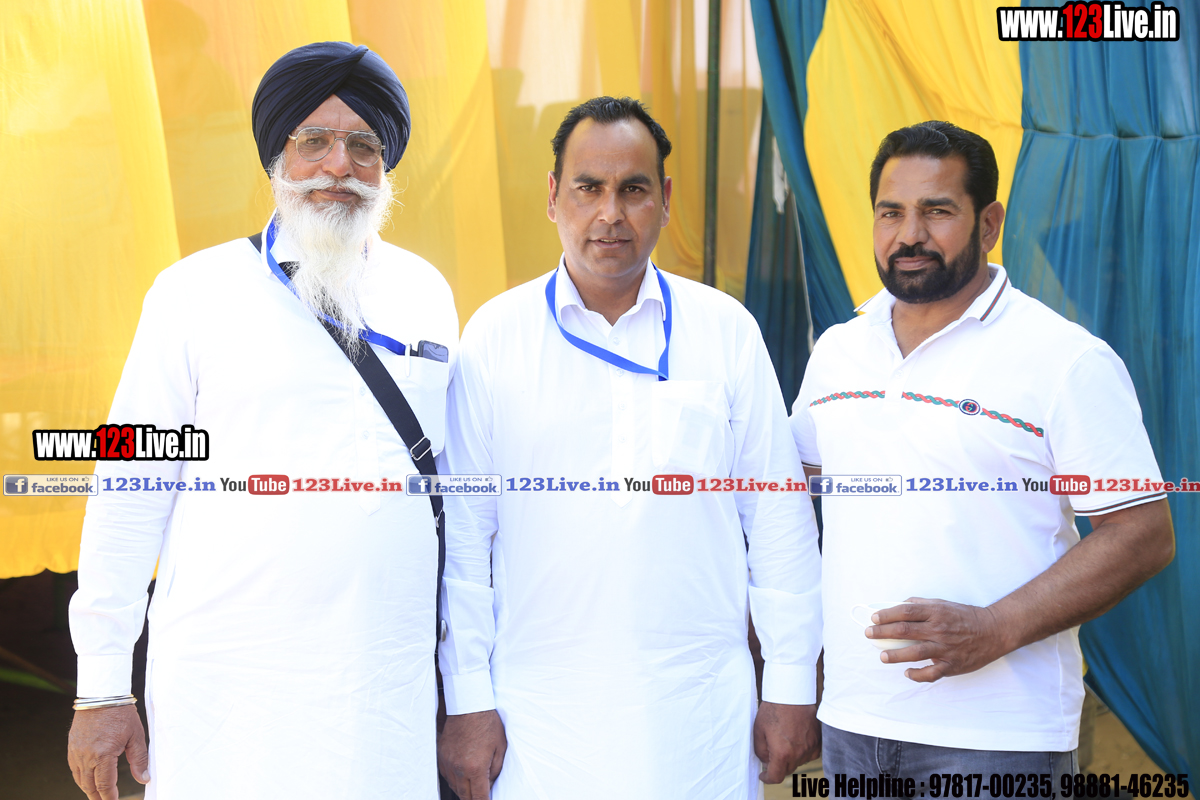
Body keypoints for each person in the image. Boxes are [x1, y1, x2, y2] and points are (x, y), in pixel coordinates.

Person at [67, 42, 458, 800]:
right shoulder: (189, 292)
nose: (338, 165)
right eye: (314, 140)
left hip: (385, 688)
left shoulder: (427, 292)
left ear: (386, 166)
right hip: (229, 696)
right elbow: (125, 488)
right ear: (277, 156)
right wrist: (102, 686)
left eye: (363, 145)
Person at [434, 96, 823, 800]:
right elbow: (464, 538)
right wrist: (466, 701)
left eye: (633, 189)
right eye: (588, 188)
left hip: (700, 714)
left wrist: (792, 682)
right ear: (552, 197)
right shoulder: (495, 337)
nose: (610, 213)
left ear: (665, 200)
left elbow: (777, 518)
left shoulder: (725, 331)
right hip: (537, 716)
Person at [790, 120, 1175, 782]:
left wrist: (996, 627)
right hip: (854, 722)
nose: (909, 235)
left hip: (1000, 735)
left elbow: (1142, 534)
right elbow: (794, 498)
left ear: (989, 223)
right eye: (891, 212)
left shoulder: (1064, 359)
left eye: (937, 211)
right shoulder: (838, 351)